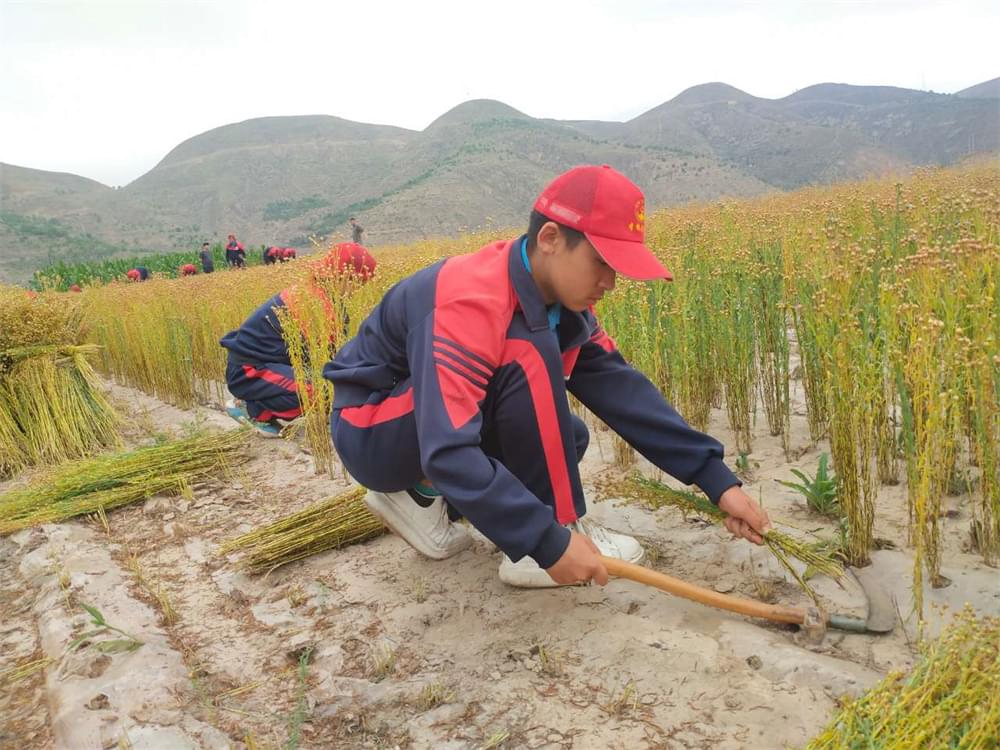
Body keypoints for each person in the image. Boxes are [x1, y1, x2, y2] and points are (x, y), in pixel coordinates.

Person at [323, 164, 771, 589]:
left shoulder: (559, 305)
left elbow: (621, 389)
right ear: (552, 238)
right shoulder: (472, 299)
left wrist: (716, 481)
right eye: (602, 262)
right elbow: (448, 447)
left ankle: (422, 497)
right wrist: (548, 542)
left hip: (417, 430)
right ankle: (543, 539)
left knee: (567, 436)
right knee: (524, 354)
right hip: (372, 429)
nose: (611, 282)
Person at [220, 242, 377, 437]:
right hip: (249, 370)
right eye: (358, 283)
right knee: (320, 391)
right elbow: (332, 363)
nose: (357, 290)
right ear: (342, 276)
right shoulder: (314, 303)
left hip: (272, 364)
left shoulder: (325, 297)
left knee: (330, 386)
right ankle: (253, 409)